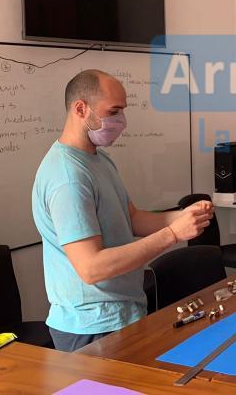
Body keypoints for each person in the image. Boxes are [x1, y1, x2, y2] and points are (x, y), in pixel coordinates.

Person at [32, 70, 214, 352]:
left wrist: (183, 216)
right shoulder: (68, 177)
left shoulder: (99, 160)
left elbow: (132, 218)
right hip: (92, 326)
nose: (121, 121)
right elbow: (91, 268)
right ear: (80, 109)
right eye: (113, 111)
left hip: (124, 312)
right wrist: (172, 234)